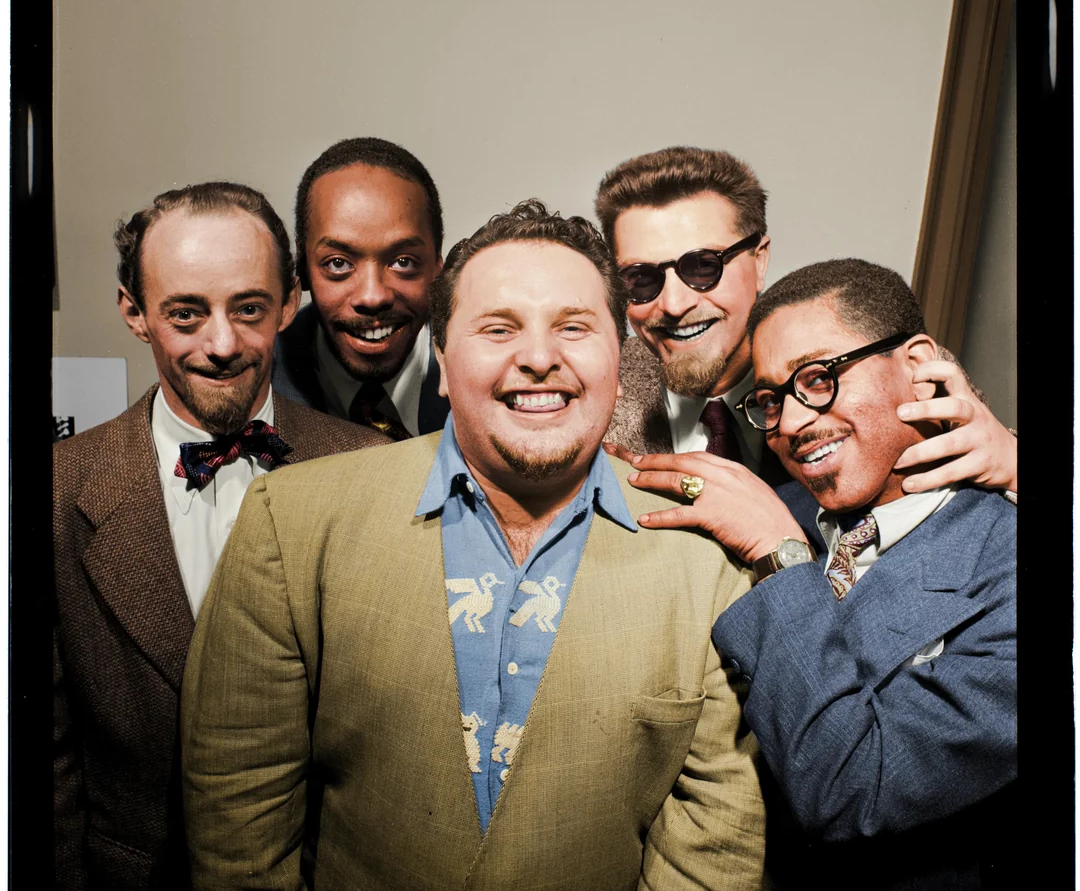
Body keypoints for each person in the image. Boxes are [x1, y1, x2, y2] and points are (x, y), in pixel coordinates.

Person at [181, 201, 765, 891]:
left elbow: (716, 836)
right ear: (441, 356)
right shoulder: (293, 521)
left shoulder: (707, 558)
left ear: (619, 352)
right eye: (499, 328)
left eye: (574, 327)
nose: (540, 358)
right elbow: (237, 801)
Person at [620, 258, 1016, 889]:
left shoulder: (1008, 563)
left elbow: (858, 787)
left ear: (917, 365)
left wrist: (779, 555)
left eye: (819, 378)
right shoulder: (782, 510)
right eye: (772, 400)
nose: (794, 424)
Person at [53, 183, 388, 891]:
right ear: (133, 312)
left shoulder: (374, 471)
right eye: (185, 313)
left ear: (289, 303)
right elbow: (45, 758)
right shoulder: (54, 490)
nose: (222, 343)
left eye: (248, 308)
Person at [596, 145, 1018, 496]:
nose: (672, 303)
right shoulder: (594, 398)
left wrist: (1016, 466)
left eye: (703, 267)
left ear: (759, 260)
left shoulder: (886, 369)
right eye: (641, 278)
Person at [272, 136, 450, 438]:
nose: (372, 296)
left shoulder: (487, 369)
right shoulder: (260, 378)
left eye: (403, 262)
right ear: (301, 267)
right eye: (338, 264)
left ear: (437, 267)